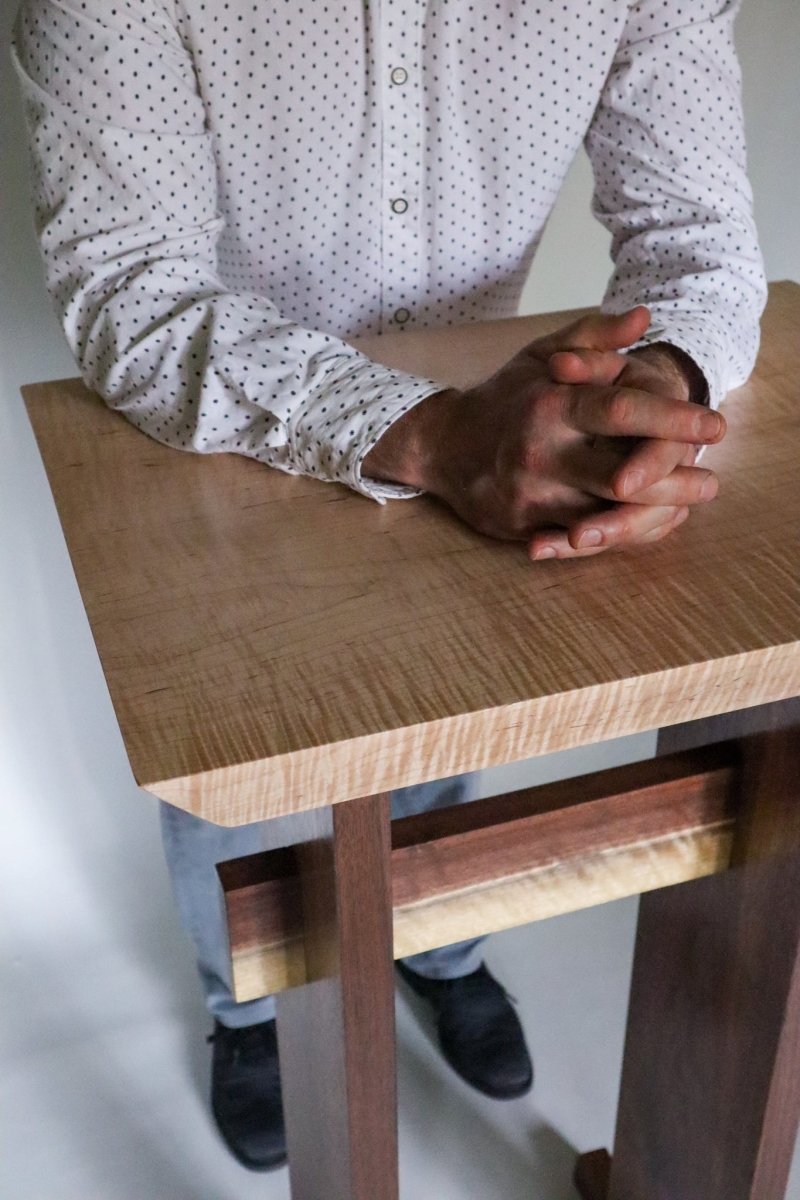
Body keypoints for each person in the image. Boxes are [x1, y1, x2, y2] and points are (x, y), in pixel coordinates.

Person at [12, 0, 765, 1173]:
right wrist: (431, 433)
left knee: (443, 718)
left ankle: (436, 944)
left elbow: (698, 241)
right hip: (214, 439)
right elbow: (130, 288)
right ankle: (244, 1010)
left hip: (491, 425)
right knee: (242, 777)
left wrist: (639, 401)